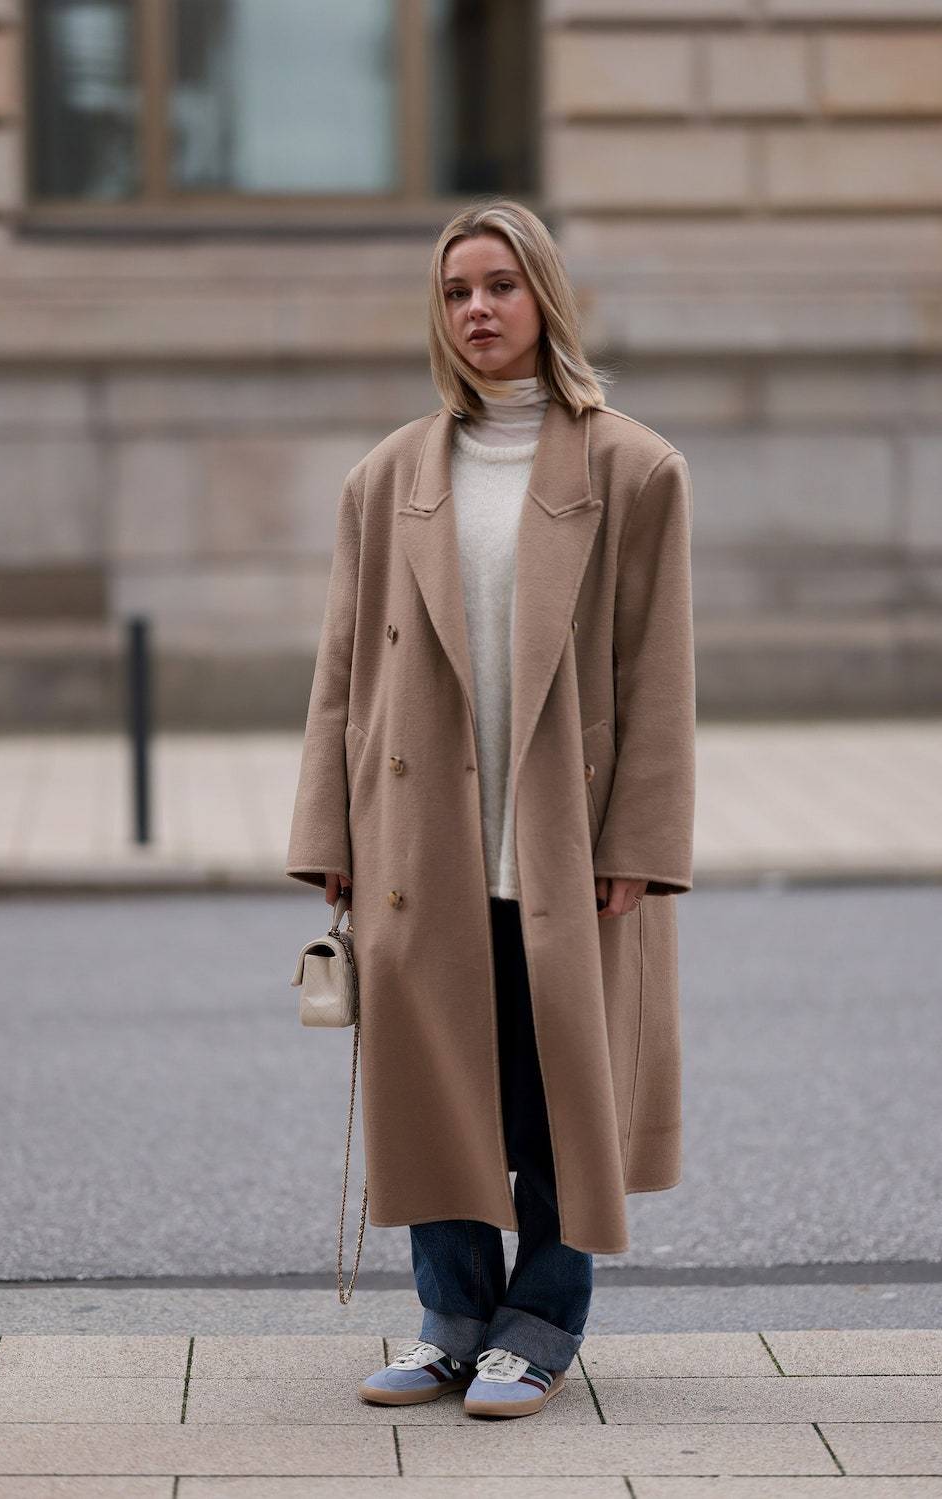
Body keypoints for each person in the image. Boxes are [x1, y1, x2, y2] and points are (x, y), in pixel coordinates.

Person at [285, 198, 696, 1420]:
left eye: (500, 286)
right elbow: (341, 672)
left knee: (560, 1090)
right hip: (420, 841)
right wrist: (328, 836)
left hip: (564, 841)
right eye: (457, 289)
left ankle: (539, 1322)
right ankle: (451, 1315)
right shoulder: (389, 474)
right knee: (439, 1081)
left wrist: (639, 844)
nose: (476, 309)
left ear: (546, 299)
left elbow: (656, 679)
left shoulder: (633, 467)